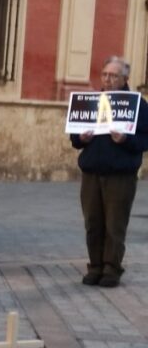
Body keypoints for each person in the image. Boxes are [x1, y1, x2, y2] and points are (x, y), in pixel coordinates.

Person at [70, 56, 148, 287]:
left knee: (115, 225)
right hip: (92, 172)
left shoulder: (138, 106)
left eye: (113, 75)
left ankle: (112, 268)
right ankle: (95, 267)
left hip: (120, 176)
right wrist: (80, 138)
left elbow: (145, 140)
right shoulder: (90, 102)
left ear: (125, 78)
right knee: (93, 223)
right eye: (105, 74)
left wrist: (125, 140)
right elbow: (74, 137)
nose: (108, 79)